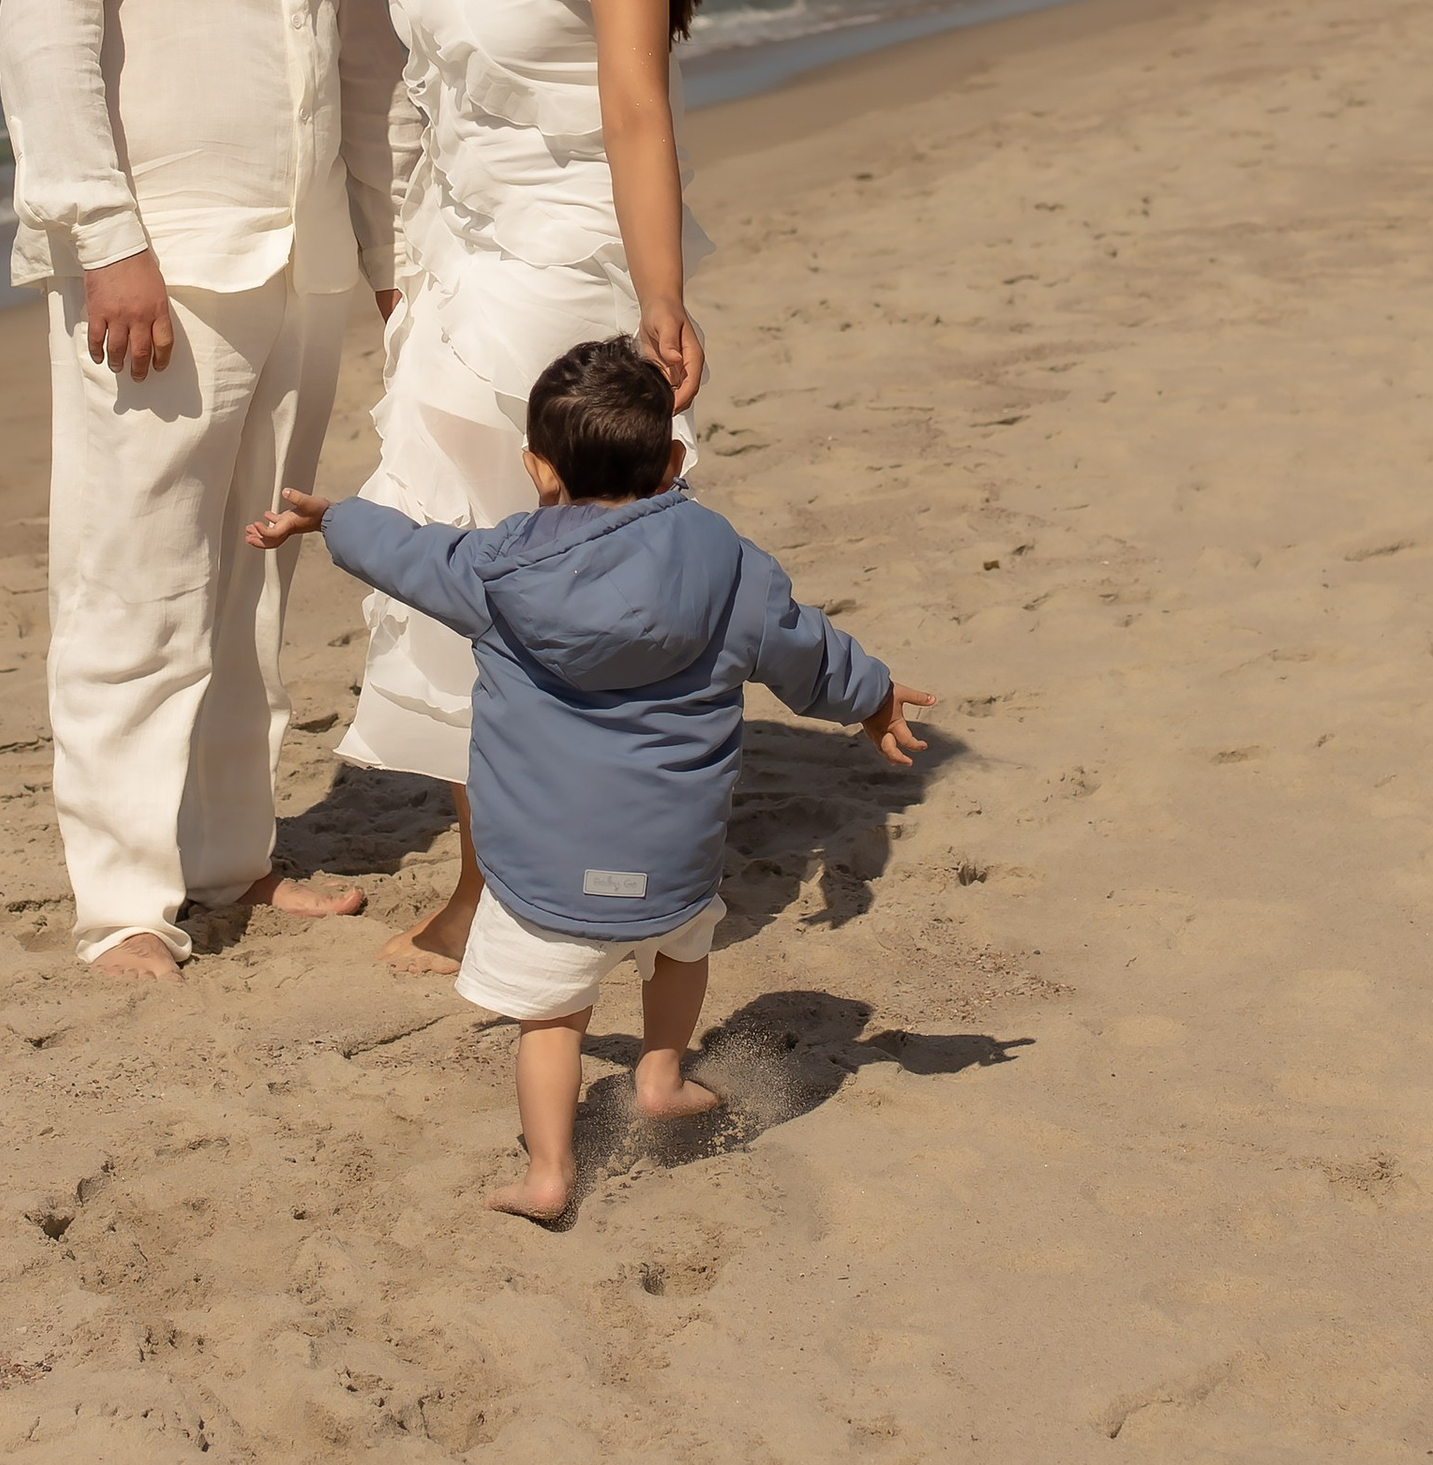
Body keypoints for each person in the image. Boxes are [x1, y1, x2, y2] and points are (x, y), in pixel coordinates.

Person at [252, 338, 932, 1222]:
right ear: (674, 460)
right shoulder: (725, 564)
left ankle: (548, 1174)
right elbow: (804, 650)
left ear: (538, 470)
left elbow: (408, 553)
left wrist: (331, 519)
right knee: (682, 950)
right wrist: (873, 697)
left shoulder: (496, 573)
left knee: (551, 1021)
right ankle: (660, 1078)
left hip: (541, 868)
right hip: (674, 855)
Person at [0, 0, 403, 986]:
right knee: (135, 584)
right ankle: (121, 902)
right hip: (154, 268)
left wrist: (384, 242)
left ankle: (234, 852)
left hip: (300, 261)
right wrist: (104, 243)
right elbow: (45, 31)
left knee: (255, 581)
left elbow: (361, 52)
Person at [338, 0, 730, 977]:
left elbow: (635, 99)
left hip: (564, 251)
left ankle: (506, 886)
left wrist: (661, 297)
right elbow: (408, 71)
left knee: (492, 558)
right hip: (451, 244)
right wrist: (392, 252)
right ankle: (498, 874)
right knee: (456, 569)